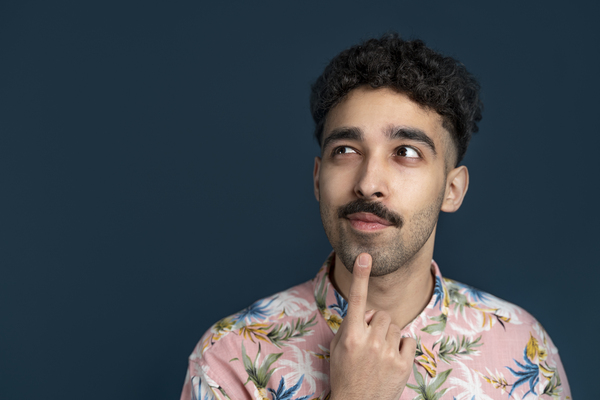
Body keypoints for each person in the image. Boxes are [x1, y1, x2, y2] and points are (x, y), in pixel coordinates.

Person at [179, 34, 571, 400]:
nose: (368, 183)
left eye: (406, 153)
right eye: (346, 151)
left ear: (452, 190)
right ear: (318, 179)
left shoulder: (524, 347)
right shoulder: (230, 356)